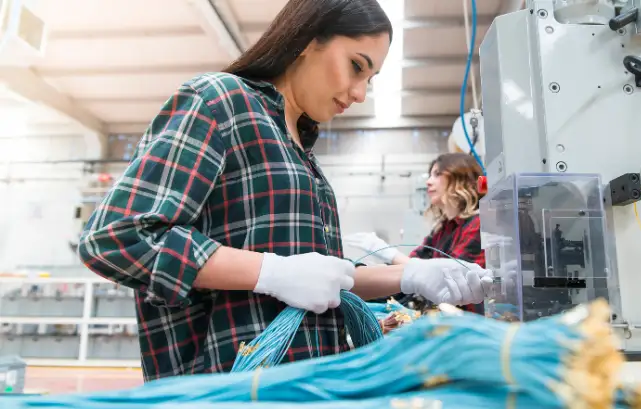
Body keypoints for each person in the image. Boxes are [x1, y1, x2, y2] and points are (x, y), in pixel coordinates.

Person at [77, 0, 494, 381]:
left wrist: (411, 274)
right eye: (356, 66)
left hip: (305, 381)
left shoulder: (300, 152)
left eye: (371, 78)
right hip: (230, 386)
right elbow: (117, 237)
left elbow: (319, 282)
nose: (359, 93)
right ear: (309, 40)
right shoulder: (221, 101)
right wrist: (269, 272)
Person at [344, 153, 487, 314]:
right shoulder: (441, 230)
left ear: (461, 180)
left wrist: (389, 253)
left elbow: (452, 276)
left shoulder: (478, 225)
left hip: (468, 322)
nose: (428, 181)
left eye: (437, 174)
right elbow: (411, 267)